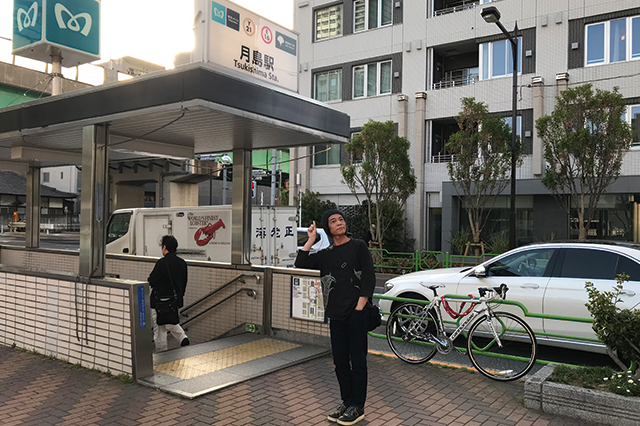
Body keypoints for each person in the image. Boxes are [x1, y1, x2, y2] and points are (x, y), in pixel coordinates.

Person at [295, 209, 375, 426]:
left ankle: (357, 406)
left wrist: (360, 306)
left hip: (356, 314)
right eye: (333, 221)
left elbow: (369, 276)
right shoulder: (326, 254)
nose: (339, 223)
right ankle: (347, 402)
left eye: (341, 220)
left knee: (357, 361)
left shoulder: (358, 246)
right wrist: (311, 239)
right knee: (340, 362)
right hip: (336, 315)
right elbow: (300, 262)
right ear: (328, 228)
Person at [148, 235, 190, 351]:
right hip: (174, 301)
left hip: (159, 302)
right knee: (170, 321)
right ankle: (182, 337)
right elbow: (184, 282)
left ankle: (162, 353)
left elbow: (152, 280)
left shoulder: (162, 263)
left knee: (160, 328)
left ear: (165, 247)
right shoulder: (182, 263)